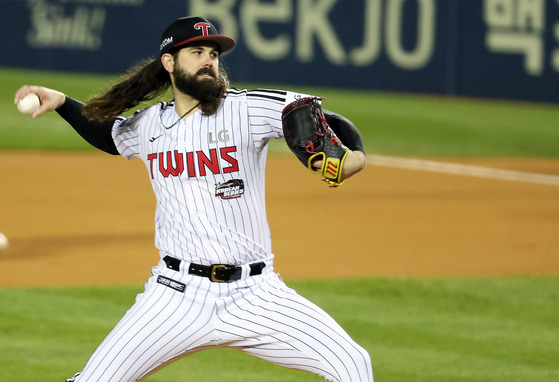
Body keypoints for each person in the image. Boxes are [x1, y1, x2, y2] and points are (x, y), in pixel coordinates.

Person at [14, 16, 372, 382]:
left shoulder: (245, 108)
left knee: (353, 365)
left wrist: (352, 156)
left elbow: (315, 115)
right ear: (169, 63)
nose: (209, 60)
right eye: (197, 51)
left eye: (213, 53)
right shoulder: (151, 123)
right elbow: (111, 135)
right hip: (175, 295)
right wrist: (60, 102)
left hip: (257, 294)